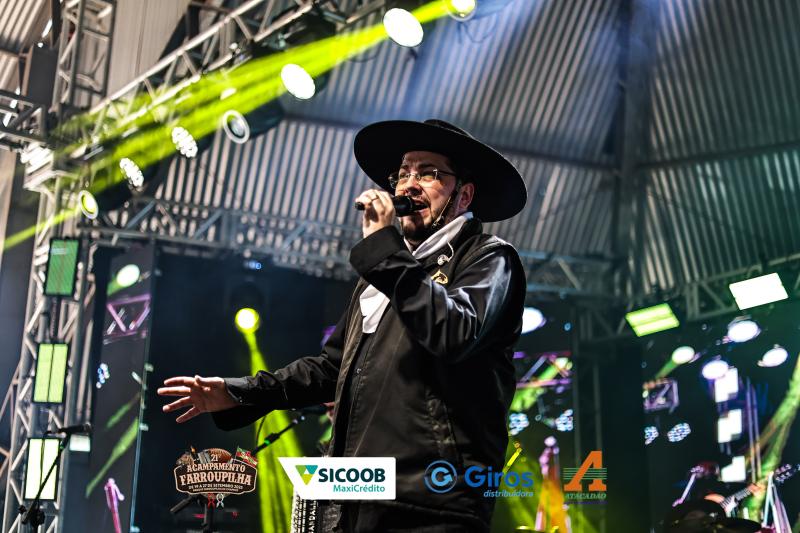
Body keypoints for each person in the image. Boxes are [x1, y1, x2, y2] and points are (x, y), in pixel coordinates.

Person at [158, 119, 528, 532]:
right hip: (359, 497)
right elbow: (330, 368)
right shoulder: (384, 275)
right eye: (402, 174)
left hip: (432, 502)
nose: (408, 185)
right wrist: (238, 392)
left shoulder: (489, 258)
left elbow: (454, 331)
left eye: (428, 173)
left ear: (464, 195)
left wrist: (384, 252)